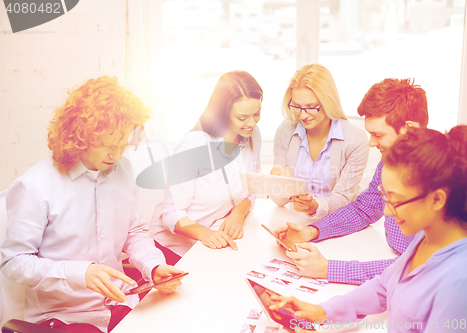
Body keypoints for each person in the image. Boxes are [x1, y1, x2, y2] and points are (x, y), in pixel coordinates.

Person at [270, 125, 467, 333]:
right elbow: (383, 286)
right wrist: (322, 312)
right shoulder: (428, 237)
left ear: (437, 200)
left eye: (396, 201)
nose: (387, 212)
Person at [0, 76, 183, 333]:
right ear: (80, 134)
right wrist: (79, 273)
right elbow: (13, 262)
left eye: (123, 146)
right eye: (108, 146)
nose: (117, 156)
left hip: (120, 303)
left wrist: (152, 266)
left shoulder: (123, 170)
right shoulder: (36, 186)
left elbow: (134, 232)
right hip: (65, 316)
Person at [274, 78, 428, 285]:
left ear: (408, 129)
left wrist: (329, 269)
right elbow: (366, 208)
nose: (372, 143)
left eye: (378, 135)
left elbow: (418, 268)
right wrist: (313, 230)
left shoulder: (439, 177)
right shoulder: (390, 160)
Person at [150, 70, 262, 260]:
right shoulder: (193, 146)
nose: (251, 123)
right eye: (242, 118)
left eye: (257, 114)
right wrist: (205, 234)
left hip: (214, 242)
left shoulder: (252, 135)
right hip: (175, 250)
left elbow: (251, 188)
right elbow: (170, 214)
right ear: (223, 113)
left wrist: (237, 214)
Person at [271, 64, 369, 218]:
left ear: (328, 102)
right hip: (293, 219)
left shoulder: (356, 140)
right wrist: (277, 176)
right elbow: (280, 201)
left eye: (310, 107)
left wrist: (314, 207)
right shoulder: (285, 130)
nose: (303, 115)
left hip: (336, 223)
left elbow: (343, 198)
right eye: (296, 106)